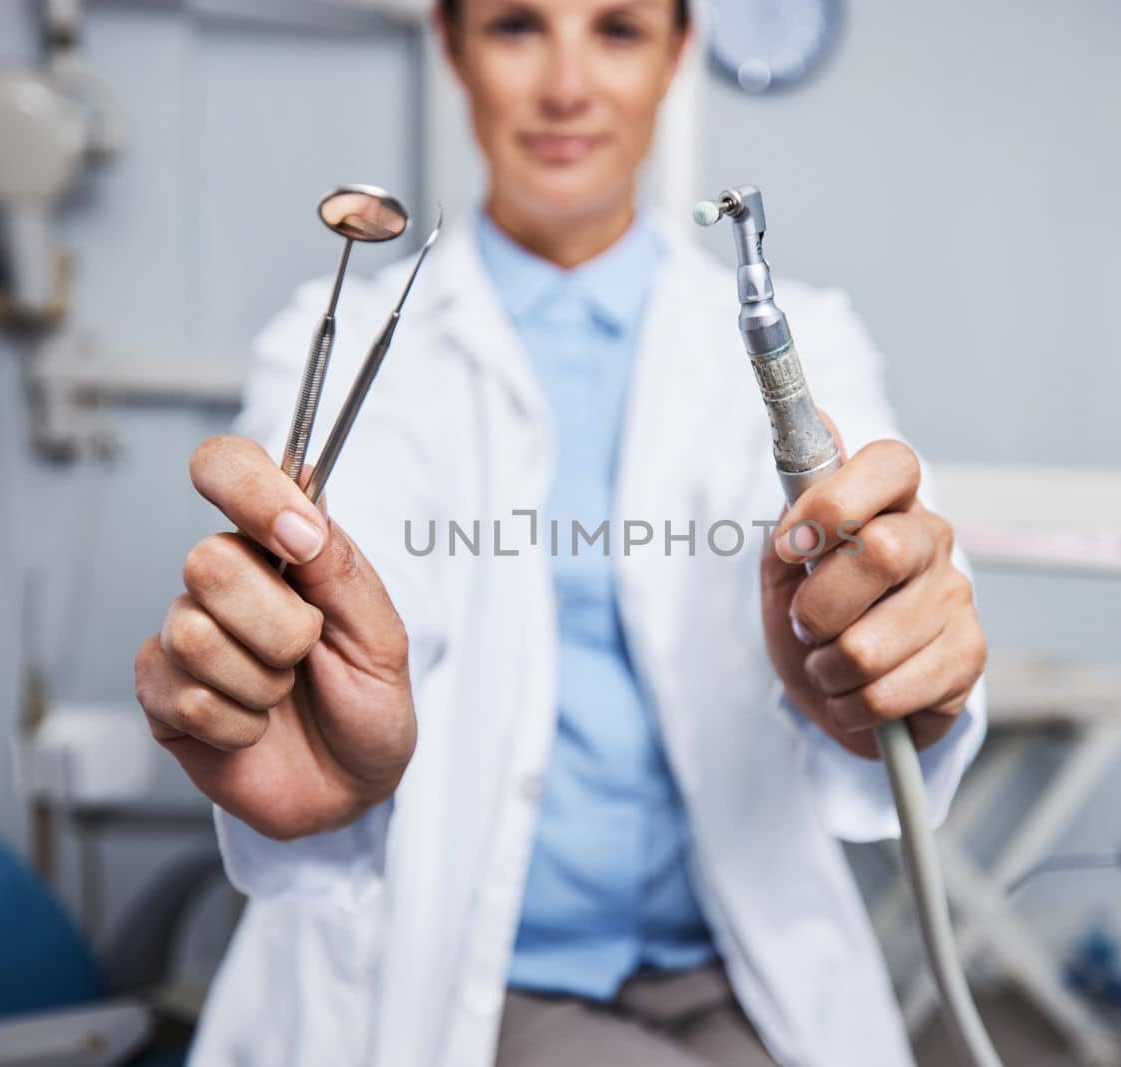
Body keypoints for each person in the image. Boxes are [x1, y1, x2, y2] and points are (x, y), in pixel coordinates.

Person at [132, 0, 989, 1063]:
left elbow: (896, 574)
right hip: (470, 968)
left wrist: (889, 664)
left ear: (680, 53)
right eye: (516, 26)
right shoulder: (343, 341)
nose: (567, 85)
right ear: (450, 46)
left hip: (733, 951)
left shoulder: (809, 340)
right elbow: (334, 612)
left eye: (619, 29)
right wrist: (291, 694)